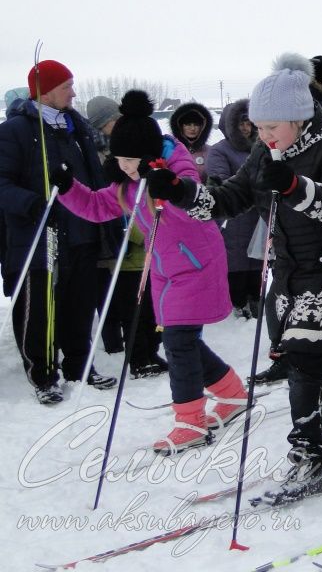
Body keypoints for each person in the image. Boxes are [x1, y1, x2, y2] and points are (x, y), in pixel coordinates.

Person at [148, 54, 322, 503]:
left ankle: (310, 458)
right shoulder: (264, 151)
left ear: (297, 119)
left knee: (304, 361)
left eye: (270, 127)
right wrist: (179, 192)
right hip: (289, 274)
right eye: (257, 128)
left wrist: (296, 186)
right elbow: (228, 199)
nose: (262, 135)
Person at [57, 90, 244, 451]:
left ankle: (190, 421)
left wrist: (171, 189)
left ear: (149, 155)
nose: (125, 166)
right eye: (119, 159)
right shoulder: (130, 184)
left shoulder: (177, 170)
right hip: (164, 271)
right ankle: (231, 391)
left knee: (177, 341)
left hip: (197, 265)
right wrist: (68, 188)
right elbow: (97, 207)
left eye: (131, 160)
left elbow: (188, 201)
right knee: (181, 340)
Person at [0, 59, 117, 405]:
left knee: (79, 307)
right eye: (67, 86)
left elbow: (94, 175)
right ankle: (43, 374)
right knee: (40, 311)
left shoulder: (75, 125)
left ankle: (80, 367)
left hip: (81, 230)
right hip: (39, 237)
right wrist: (32, 203)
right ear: (46, 91)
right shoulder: (15, 131)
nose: (73, 92)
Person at [84, 95, 166, 377]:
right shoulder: (100, 155)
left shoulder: (136, 142)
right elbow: (108, 201)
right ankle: (138, 358)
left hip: (144, 236)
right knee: (132, 303)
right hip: (122, 237)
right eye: (107, 123)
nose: (113, 126)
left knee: (150, 302)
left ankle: (150, 351)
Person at [206, 98, 262, 320]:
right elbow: (220, 179)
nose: (245, 128)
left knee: (257, 259)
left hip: (259, 216)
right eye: (240, 123)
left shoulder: (261, 147)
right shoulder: (220, 151)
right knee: (236, 261)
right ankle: (238, 302)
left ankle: (256, 299)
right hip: (234, 217)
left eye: (248, 122)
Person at [170, 101, 214, 182]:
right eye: (188, 124)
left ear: (203, 127)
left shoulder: (211, 151)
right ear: (180, 126)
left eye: (196, 124)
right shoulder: (171, 151)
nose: (192, 128)